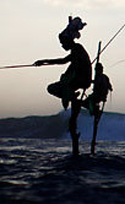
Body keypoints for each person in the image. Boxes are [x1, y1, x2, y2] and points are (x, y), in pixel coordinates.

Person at [34, 16, 92, 151]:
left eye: (62, 43)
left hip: (82, 80)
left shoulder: (77, 49)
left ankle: (77, 100)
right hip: (82, 80)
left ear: (68, 40)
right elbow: (65, 62)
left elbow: (63, 62)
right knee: (61, 89)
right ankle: (75, 99)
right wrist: (44, 61)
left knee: (52, 88)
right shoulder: (76, 49)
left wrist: (43, 61)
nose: (62, 45)